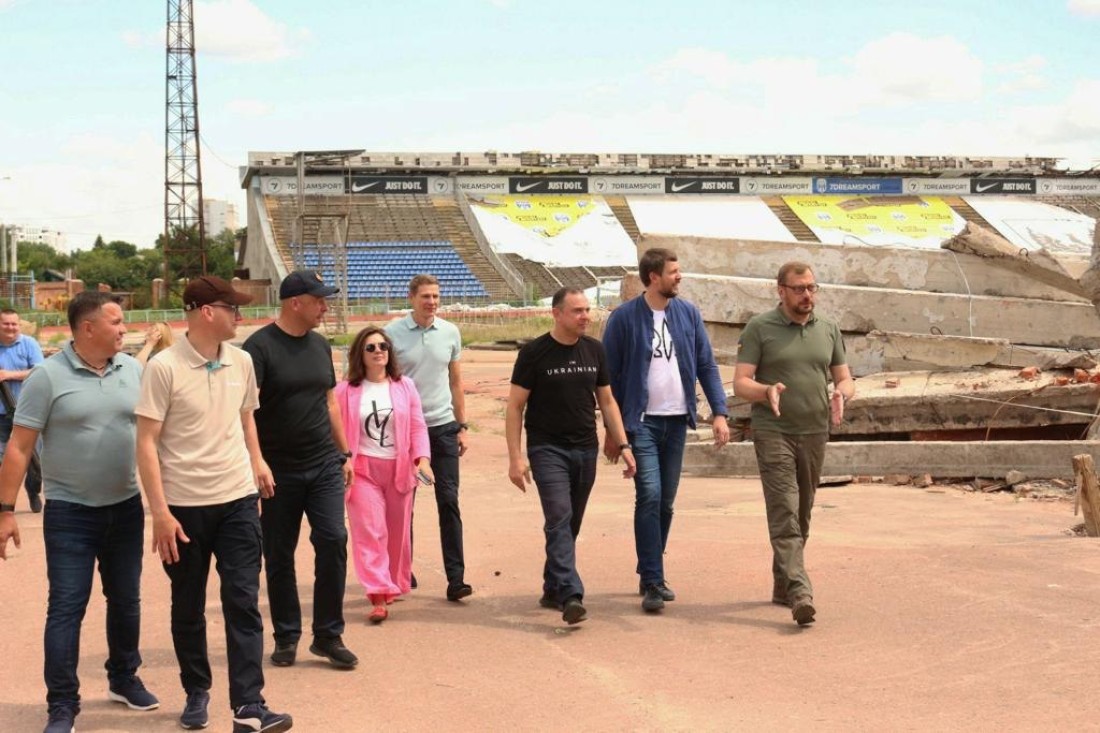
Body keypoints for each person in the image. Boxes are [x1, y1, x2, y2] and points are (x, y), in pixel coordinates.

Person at [136, 276, 293, 732]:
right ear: (207, 312)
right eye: (232, 308)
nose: (240, 316)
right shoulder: (163, 368)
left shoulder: (242, 361)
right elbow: (146, 442)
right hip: (183, 509)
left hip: (237, 500)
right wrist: (160, 513)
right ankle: (196, 690)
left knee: (242, 601)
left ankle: (249, 705)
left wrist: (257, 461)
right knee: (187, 606)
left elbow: (246, 419)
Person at [0, 292, 158, 733]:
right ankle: (62, 705)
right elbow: (19, 447)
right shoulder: (47, 377)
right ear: (88, 328)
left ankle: (123, 678)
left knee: (126, 600)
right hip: (70, 514)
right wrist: (5, 510)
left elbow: (154, 436)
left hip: (125, 508)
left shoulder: (133, 370)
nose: (124, 328)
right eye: (116, 321)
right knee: (67, 607)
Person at [603, 247, 731, 613]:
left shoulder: (688, 313)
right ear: (653, 277)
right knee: (650, 494)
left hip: (676, 421)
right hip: (641, 422)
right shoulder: (624, 319)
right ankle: (654, 581)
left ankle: (649, 569)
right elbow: (607, 379)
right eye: (673, 272)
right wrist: (613, 431)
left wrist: (719, 412)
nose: (679, 277)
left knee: (666, 502)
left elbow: (706, 365)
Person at [242, 270, 358, 670]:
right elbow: (246, 411)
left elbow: (329, 402)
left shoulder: (320, 345)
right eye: (319, 300)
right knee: (279, 553)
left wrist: (345, 453)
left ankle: (328, 635)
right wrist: (256, 460)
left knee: (333, 539)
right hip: (278, 470)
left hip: (323, 463)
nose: (325, 307)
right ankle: (287, 634)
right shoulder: (258, 348)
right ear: (296, 303)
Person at [733, 261, 855, 627]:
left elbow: (845, 377)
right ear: (781, 291)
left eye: (812, 288)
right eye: (799, 289)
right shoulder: (760, 328)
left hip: (815, 431)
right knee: (784, 511)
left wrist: (842, 393)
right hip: (774, 431)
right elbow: (741, 382)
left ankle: (782, 584)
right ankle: (800, 592)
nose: (807, 295)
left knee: (801, 514)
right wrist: (766, 390)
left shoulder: (828, 328)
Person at [506, 287, 636, 625]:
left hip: (585, 448)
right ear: (557, 313)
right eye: (577, 311)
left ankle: (552, 586)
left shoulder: (594, 349)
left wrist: (623, 445)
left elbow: (607, 400)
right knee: (559, 516)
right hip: (547, 448)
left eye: (587, 310)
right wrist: (516, 458)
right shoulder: (534, 353)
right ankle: (570, 593)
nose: (585, 316)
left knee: (570, 522)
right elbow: (515, 407)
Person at [336, 327, 433, 623]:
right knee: (369, 531)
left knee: (397, 533)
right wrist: (341, 459)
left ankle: (392, 582)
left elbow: (417, 425)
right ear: (360, 355)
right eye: (371, 347)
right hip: (362, 470)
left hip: (399, 468)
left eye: (383, 346)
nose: (378, 351)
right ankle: (377, 592)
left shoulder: (405, 386)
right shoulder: (345, 390)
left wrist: (423, 459)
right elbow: (334, 427)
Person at [384, 274, 471, 602]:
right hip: (405, 432)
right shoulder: (391, 334)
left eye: (435, 296)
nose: (431, 302)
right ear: (412, 298)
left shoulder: (450, 332)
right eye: (425, 296)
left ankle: (456, 578)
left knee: (448, 500)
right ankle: (401, 570)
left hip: (443, 428)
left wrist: (462, 425)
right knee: (404, 504)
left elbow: (455, 381)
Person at [0, 307, 44, 513]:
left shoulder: (29, 344)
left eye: (14, 324)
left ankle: (33, 491)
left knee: (34, 462)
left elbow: (40, 372)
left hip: (27, 414)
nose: (11, 327)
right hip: (0, 415)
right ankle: (4, 503)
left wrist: (9, 374)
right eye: (6, 324)